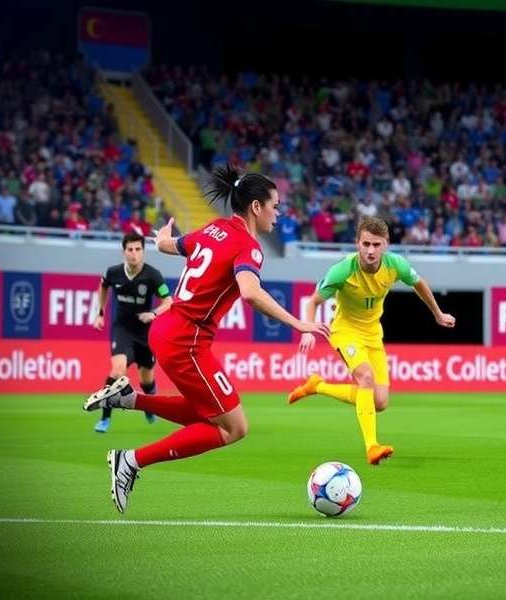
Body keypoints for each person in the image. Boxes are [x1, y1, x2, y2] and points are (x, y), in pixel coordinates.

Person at [83, 167, 329, 513]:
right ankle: (130, 460)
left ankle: (129, 399)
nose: (279, 212)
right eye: (276, 205)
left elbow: (170, 245)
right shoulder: (249, 246)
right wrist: (298, 323)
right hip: (187, 341)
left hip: (166, 330)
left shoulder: (213, 229)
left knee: (209, 416)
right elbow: (250, 292)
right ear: (256, 207)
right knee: (234, 427)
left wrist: (161, 239)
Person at [287, 216, 456, 464]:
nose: (370, 250)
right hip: (345, 331)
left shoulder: (395, 264)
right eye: (365, 244)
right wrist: (307, 330)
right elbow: (314, 301)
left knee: (380, 402)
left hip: (373, 334)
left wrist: (438, 313)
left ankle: (317, 386)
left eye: (376, 245)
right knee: (365, 377)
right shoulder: (343, 269)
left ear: (386, 244)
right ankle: (372, 446)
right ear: (357, 243)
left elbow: (419, 283)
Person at [92, 231, 173, 433]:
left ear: (143, 252)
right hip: (123, 329)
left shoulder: (153, 275)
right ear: (124, 252)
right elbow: (103, 286)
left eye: (138, 249)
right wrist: (100, 313)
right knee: (118, 371)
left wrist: (153, 313)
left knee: (147, 381)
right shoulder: (113, 273)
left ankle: (149, 406)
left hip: (146, 334)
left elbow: (169, 302)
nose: (134, 254)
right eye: (130, 250)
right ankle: (105, 417)